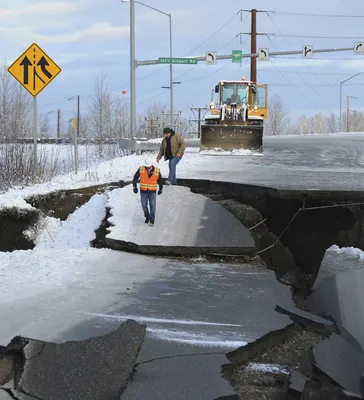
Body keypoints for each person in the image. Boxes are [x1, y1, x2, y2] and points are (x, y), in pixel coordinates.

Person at [132, 157, 163, 226]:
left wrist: (161, 189)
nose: (148, 167)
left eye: (149, 166)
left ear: (152, 165)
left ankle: (152, 219)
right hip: (143, 191)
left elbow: (160, 180)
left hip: (152, 191)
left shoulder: (157, 171)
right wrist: (134, 187)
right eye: (147, 166)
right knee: (143, 205)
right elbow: (135, 177)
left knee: (153, 205)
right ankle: (147, 216)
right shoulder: (141, 169)